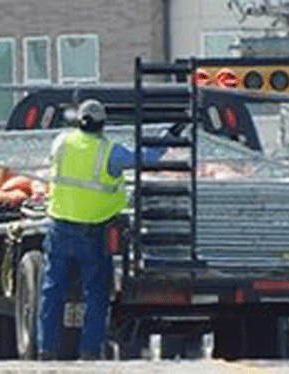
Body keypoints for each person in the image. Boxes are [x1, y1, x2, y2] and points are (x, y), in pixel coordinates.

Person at [38, 99, 184, 360]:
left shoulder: (60, 142)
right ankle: (89, 352)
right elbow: (147, 158)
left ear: (78, 121)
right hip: (93, 233)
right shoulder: (110, 152)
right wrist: (169, 136)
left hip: (59, 227)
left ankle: (46, 350)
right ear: (103, 125)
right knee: (95, 294)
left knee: (52, 292)